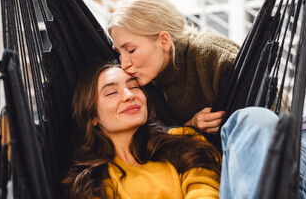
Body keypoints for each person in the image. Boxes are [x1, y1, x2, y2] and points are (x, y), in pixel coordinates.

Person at [107, 0, 306, 198]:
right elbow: (158, 136)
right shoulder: (144, 85)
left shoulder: (211, 55)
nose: (124, 63)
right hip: (234, 160)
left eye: (131, 50)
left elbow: (271, 117)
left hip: (298, 137)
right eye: (120, 53)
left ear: (164, 41)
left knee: (278, 179)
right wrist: (191, 124)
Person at [62, 63, 221, 198]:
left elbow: (205, 191)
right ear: (92, 116)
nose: (129, 95)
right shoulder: (92, 183)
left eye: (133, 86)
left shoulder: (184, 143)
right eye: (111, 92)